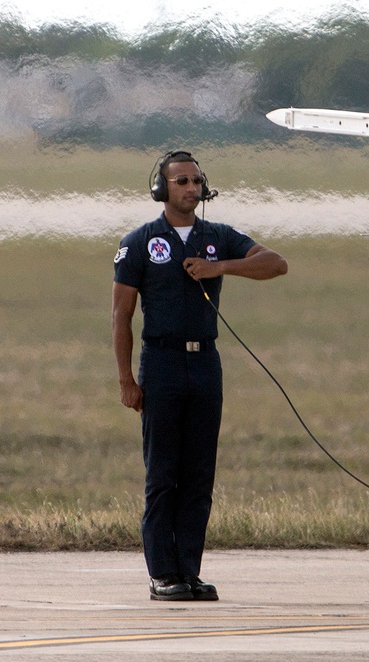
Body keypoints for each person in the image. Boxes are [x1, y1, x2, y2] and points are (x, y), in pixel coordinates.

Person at [111, 150, 287, 601]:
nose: (190, 188)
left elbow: (275, 263)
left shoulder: (218, 237)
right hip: (163, 362)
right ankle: (161, 574)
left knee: (199, 474)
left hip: (205, 362)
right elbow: (121, 314)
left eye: (196, 181)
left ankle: (189, 569)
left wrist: (221, 267)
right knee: (163, 473)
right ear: (161, 189)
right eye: (181, 181)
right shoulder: (139, 242)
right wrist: (127, 380)